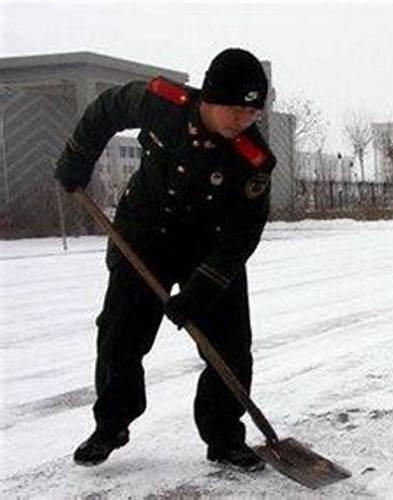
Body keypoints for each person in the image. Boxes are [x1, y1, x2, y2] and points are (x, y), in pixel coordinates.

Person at [55, 48, 275, 471]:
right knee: (120, 333)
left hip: (209, 247)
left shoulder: (254, 159)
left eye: (252, 113)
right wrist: (78, 156)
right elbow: (106, 109)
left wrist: (202, 288)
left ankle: (225, 436)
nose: (242, 121)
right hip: (144, 235)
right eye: (234, 109)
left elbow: (243, 233)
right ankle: (111, 425)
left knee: (230, 346)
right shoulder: (161, 103)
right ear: (209, 97)